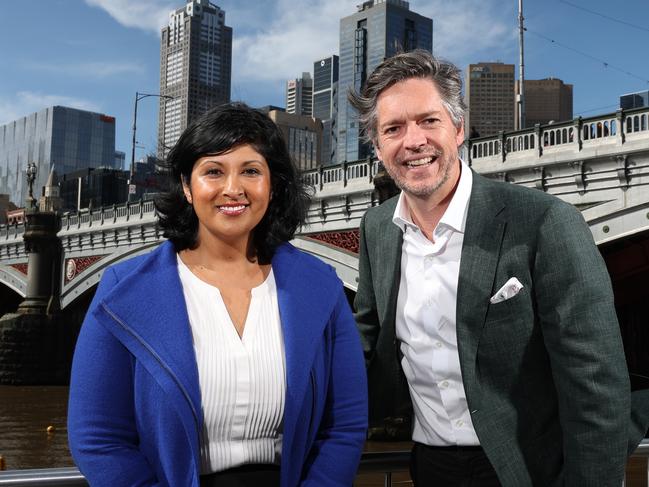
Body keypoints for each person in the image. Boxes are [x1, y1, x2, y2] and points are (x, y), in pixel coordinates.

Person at [350, 49, 647, 486]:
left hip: (525, 469)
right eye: (393, 128)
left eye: (429, 121)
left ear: (458, 128)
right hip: (429, 467)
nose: (413, 141)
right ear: (377, 147)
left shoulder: (544, 222)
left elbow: (594, 384)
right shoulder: (377, 227)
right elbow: (366, 338)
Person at [68, 103, 368, 487]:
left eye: (251, 171)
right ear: (186, 187)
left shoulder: (321, 287)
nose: (233, 188)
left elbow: (345, 424)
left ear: (271, 186)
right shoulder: (123, 291)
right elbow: (97, 438)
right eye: (213, 171)